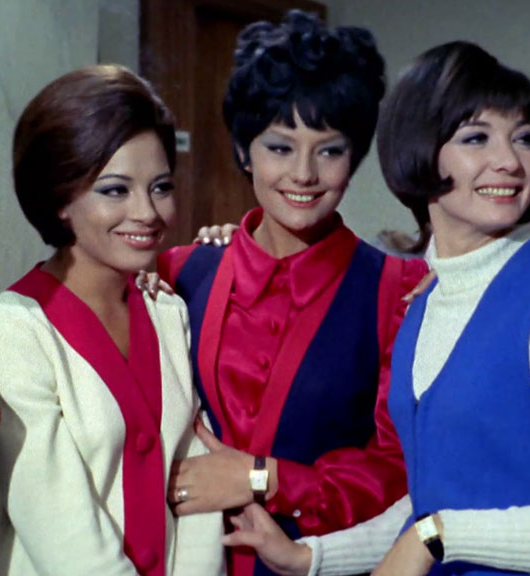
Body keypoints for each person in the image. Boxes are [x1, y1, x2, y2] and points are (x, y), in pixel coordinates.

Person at [224, 41, 530, 576]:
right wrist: (310, 556)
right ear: (420, 151)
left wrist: (436, 537)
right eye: (476, 138)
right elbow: (431, 501)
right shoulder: (425, 303)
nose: (509, 161)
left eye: (523, 138)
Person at [155, 10, 427, 576]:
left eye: (329, 150)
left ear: (354, 158)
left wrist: (263, 477)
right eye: (280, 148)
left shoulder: (397, 292)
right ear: (243, 150)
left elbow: (396, 468)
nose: (303, 174)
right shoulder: (180, 273)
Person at [0, 65, 224, 576]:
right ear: (62, 198)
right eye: (115, 190)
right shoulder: (11, 332)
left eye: (160, 187)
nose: (147, 212)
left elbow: (198, 488)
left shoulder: (168, 313)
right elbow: (62, 532)